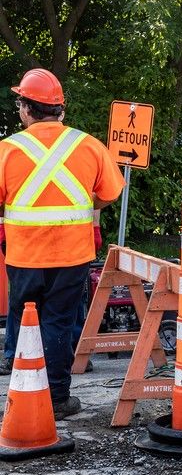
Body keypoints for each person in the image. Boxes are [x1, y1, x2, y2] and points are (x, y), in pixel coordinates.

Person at [0, 68, 124, 420]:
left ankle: (24, 398)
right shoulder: (87, 145)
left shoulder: (8, 149)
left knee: (27, 324)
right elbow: (109, 194)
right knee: (58, 322)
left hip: (24, 255)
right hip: (72, 254)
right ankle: (56, 399)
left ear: (26, 108)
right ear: (59, 109)